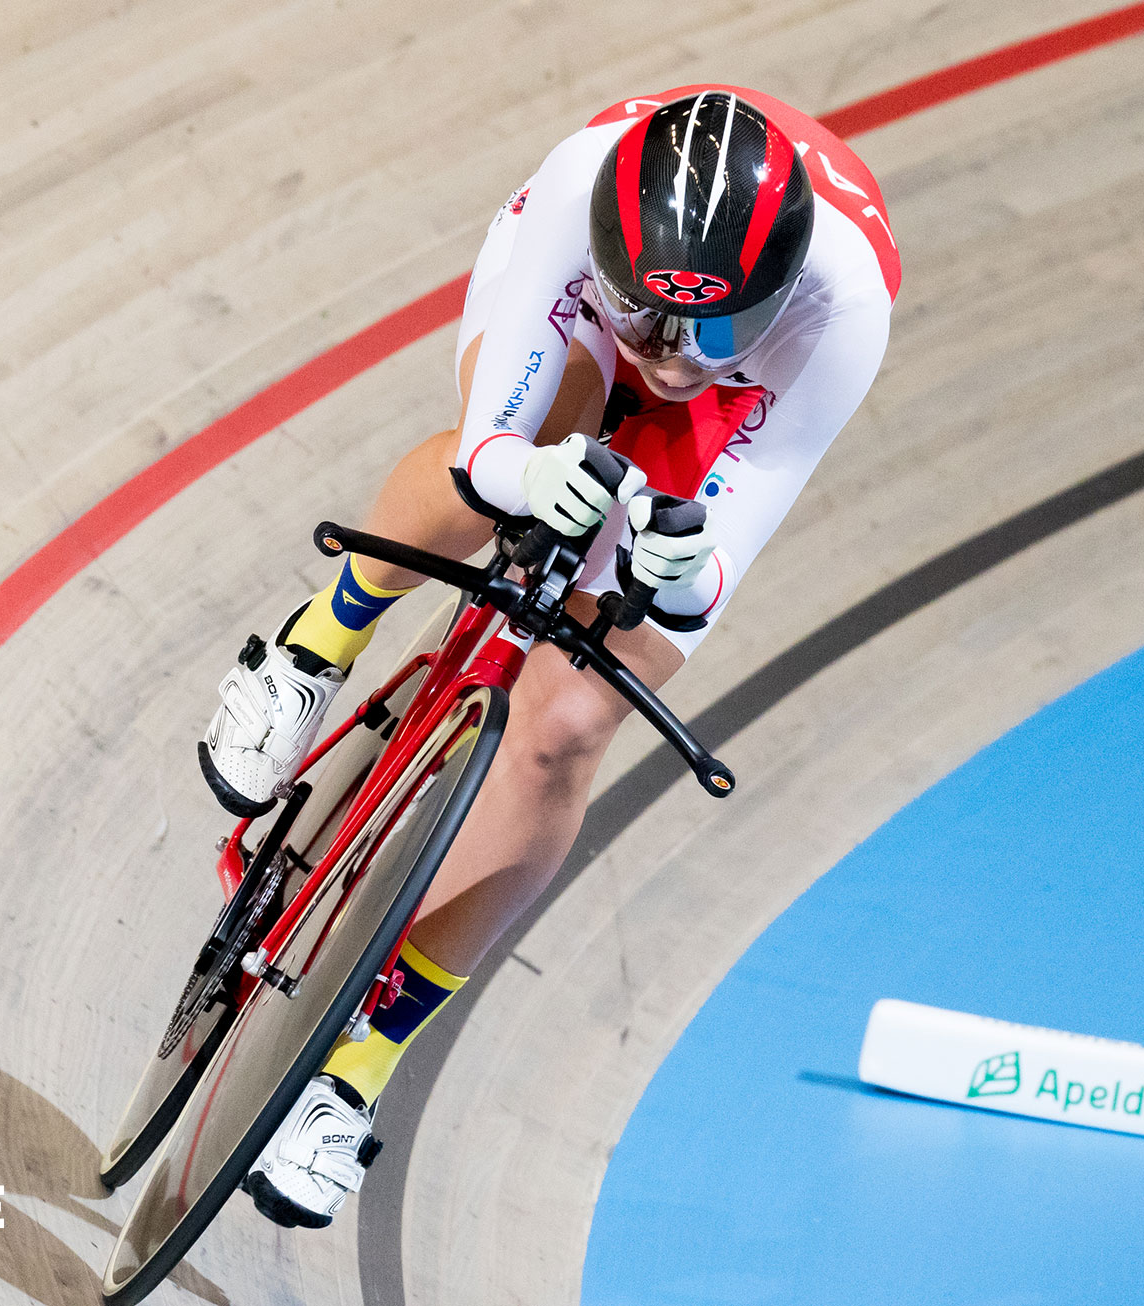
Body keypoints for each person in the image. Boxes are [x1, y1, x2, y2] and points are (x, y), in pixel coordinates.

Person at [206, 85, 901, 1228]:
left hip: (751, 407)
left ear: (769, 301)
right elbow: (490, 443)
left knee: (570, 723)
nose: (673, 361)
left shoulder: (838, 316)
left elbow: (726, 542)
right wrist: (526, 475)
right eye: (655, 320)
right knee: (523, 450)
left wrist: (679, 570)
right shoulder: (580, 198)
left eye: (711, 332)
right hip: (569, 321)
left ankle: (360, 1067)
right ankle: (312, 648)